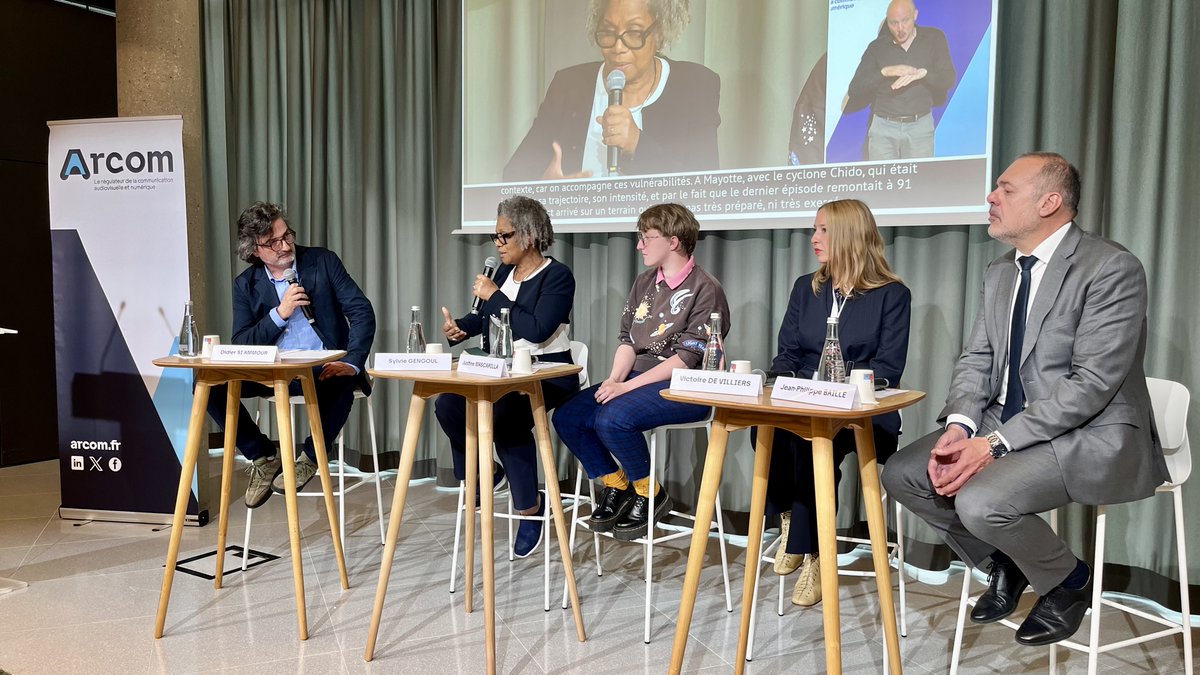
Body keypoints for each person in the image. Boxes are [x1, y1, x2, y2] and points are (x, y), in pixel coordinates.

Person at [882, 152, 1169, 646]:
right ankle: (1006, 562)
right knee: (903, 473)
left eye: (1006, 189)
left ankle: (1069, 580)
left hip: (1088, 429)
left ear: (1050, 202)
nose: (991, 198)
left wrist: (991, 446)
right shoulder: (1000, 272)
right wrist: (960, 428)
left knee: (980, 499)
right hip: (1005, 420)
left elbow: (1091, 385)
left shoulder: (1110, 267)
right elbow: (976, 359)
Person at [759, 199, 910, 607]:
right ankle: (792, 518)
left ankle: (816, 556)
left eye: (823, 230)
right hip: (804, 400)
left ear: (848, 234)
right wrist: (781, 384)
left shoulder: (891, 295)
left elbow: (888, 369)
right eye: (815, 229)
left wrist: (838, 391)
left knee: (812, 443)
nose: (814, 239)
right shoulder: (806, 288)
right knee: (764, 422)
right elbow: (786, 354)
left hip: (861, 410)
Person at [553, 203, 729, 541]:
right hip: (636, 381)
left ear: (674, 241)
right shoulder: (644, 281)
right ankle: (617, 485)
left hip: (685, 385)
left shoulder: (706, 289)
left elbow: (686, 359)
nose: (639, 246)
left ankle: (650, 493)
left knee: (612, 419)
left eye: (646, 238)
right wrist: (616, 379)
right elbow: (627, 341)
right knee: (568, 417)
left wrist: (626, 389)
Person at [435, 196, 579, 558]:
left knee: (504, 415)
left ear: (528, 235)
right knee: (448, 404)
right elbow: (486, 319)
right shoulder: (501, 274)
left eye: (504, 236)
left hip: (546, 373)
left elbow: (536, 328)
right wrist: (460, 329)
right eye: (495, 237)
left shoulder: (557, 275)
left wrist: (496, 295)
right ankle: (486, 475)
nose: (497, 244)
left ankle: (530, 509)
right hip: (499, 371)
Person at [206, 202, 376, 509]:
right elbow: (241, 341)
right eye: (273, 243)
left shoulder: (322, 261)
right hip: (273, 371)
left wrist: (352, 361)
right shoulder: (245, 284)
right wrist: (279, 314)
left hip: (320, 367)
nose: (285, 246)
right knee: (207, 385)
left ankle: (310, 457)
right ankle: (262, 455)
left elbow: (361, 310)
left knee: (338, 377)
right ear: (254, 250)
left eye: (287, 236)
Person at [502, 0, 721, 181]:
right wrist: (542, 189)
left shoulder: (694, 85)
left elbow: (705, 184)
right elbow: (514, 174)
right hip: (580, 231)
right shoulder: (568, 86)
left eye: (634, 33)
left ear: (660, 33)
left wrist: (637, 144)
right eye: (608, 32)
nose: (618, 47)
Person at [845, 0, 955, 160]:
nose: (900, 29)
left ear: (915, 15)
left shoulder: (934, 38)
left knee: (920, 182)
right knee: (882, 183)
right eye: (894, 23)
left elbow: (948, 79)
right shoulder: (877, 47)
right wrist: (885, 72)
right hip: (883, 128)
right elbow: (855, 89)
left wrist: (924, 73)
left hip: (920, 127)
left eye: (905, 21)